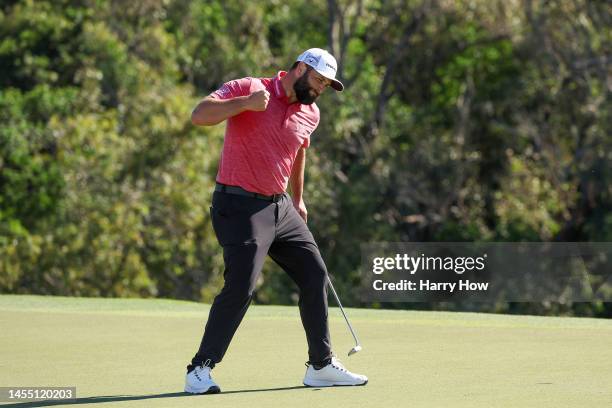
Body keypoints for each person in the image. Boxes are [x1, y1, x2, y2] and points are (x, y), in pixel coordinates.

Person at [184, 48, 368, 394]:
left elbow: (298, 152)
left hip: (280, 207)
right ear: (299, 68)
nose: (319, 90)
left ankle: (321, 365)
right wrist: (244, 104)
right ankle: (199, 369)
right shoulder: (250, 87)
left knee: (315, 274)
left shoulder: (310, 113)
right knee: (241, 288)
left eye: (326, 85)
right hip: (238, 205)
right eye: (317, 80)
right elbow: (199, 115)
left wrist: (297, 198)